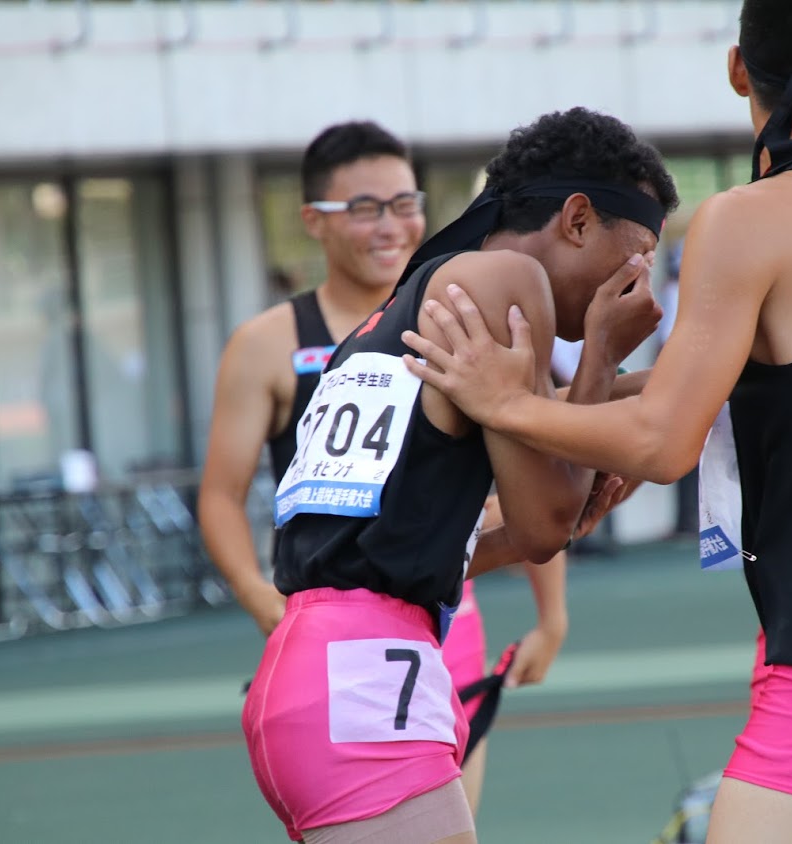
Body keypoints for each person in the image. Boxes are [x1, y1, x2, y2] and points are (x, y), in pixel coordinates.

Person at [399, 3, 792, 842]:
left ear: (739, 69)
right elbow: (778, 387)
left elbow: (665, 442)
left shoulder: (753, 214)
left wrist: (503, 402)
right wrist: (592, 386)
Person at [241, 107, 678, 843]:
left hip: (319, 670)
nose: (640, 283)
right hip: (366, 683)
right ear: (577, 219)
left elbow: (426, 537)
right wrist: (602, 349)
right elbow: (543, 525)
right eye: (634, 255)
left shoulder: (410, 301)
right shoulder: (508, 278)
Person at [196, 120, 575, 821]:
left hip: (448, 619)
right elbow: (219, 494)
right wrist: (259, 598)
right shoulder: (267, 344)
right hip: (344, 630)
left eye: (406, 203)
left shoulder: (459, 312)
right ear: (313, 220)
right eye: (365, 208)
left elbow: (525, 466)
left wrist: (552, 616)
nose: (391, 225)